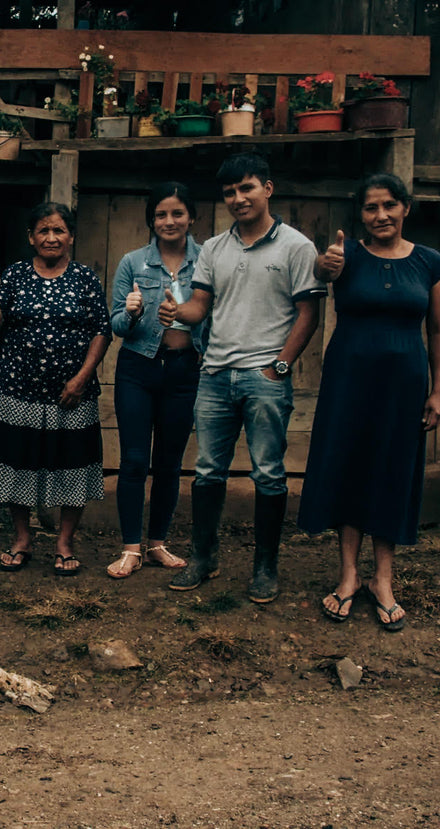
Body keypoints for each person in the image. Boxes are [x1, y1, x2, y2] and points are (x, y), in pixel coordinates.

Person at [158, 152, 324, 601]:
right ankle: (204, 558)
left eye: (246, 188)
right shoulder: (214, 247)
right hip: (214, 374)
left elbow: (309, 313)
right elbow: (199, 307)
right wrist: (177, 313)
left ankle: (265, 568)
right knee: (208, 472)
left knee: (268, 474)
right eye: (230, 192)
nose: (238, 198)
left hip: (265, 377)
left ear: (267, 189)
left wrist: (280, 367)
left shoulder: (296, 246)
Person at [299, 174, 440, 631]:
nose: (380, 215)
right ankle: (348, 575)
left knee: (391, 470)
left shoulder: (431, 262)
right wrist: (326, 266)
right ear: (360, 214)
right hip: (349, 379)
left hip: (403, 384)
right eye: (370, 208)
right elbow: (321, 276)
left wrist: (439, 390)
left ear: (405, 208)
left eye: (389, 205)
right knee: (349, 467)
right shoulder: (347, 255)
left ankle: (383, 579)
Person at [0, 201, 111, 577]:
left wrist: (82, 377)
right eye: (43, 231)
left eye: (59, 230)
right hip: (18, 389)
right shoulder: (14, 275)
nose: (51, 237)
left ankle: (64, 542)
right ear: (31, 237)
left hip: (72, 393)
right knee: (16, 464)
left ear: (71, 236)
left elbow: (101, 330)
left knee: (72, 465)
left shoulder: (85, 278)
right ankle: (22, 538)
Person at [106, 182, 205, 578]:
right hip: (138, 368)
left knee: (169, 462)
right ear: (151, 219)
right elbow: (114, 323)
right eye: (161, 214)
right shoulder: (133, 262)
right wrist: (130, 312)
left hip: (184, 369)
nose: (169, 221)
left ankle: (157, 544)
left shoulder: (207, 262)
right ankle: (130, 547)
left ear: (191, 217)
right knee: (133, 461)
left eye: (177, 213)